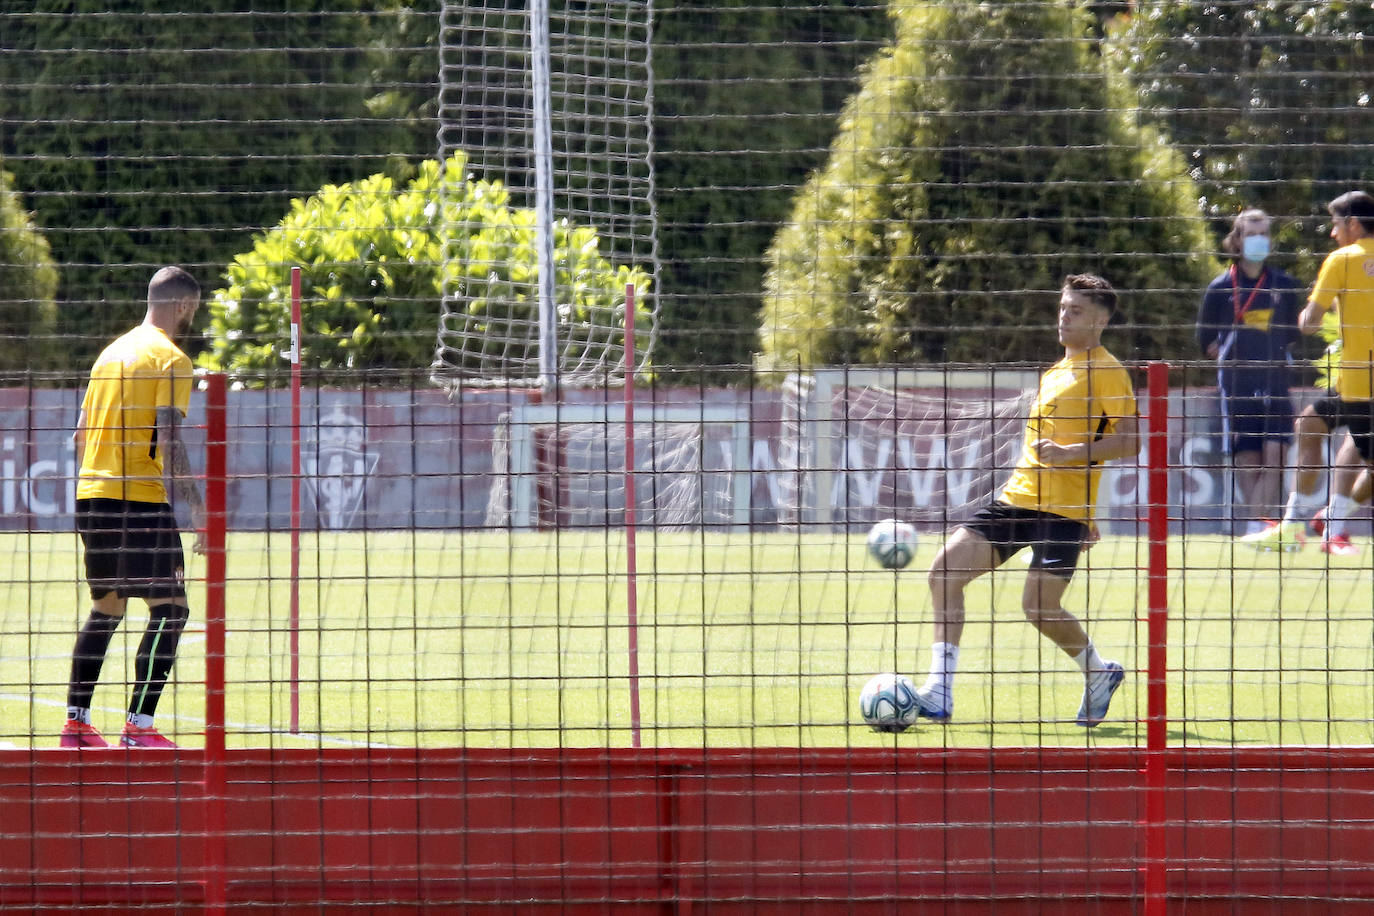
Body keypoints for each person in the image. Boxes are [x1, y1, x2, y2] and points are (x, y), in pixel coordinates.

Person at [916, 273, 1139, 727]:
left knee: (1038, 608)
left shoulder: (1109, 371)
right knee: (943, 573)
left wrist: (1077, 464)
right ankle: (938, 693)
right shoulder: (1056, 372)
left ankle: (1097, 671)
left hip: (1062, 514)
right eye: (1062, 308)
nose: (1063, 317)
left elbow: (1131, 441)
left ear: (1100, 320)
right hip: (1019, 499)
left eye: (1075, 311)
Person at [60, 266, 206, 749]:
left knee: (107, 606)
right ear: (184, 305)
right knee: (172, 609)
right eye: (194, 309)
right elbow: (169, 439)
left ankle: (77, 724)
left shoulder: (109, 354)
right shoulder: (172, 359)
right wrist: (198, 510)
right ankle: (138, 727)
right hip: (139, 500)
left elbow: (79, 436)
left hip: (92, 496)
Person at [1242, 190, 1374, 556]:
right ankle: (1299, 524)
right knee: (1308, 426)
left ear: (1352, 223)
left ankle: (1320, 521)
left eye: (1336, 224)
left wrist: (1307, 319)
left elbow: (1310, 323)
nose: (1333, 233)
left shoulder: (1342, 259)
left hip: (1360, 383)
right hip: (1352, 380)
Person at [1195, 209, 1303, 537]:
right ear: (1238, 239)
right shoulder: (1220, 286)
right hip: (1236, 383)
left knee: (1277, 454)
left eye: (1265, 233)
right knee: (1248, 457)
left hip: (1276, 379)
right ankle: (1260, 525)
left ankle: (1260, 525)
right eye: (1253, 233)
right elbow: (1204, 337)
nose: (1260, 240)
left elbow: (1295, 332)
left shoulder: (1284, 283)